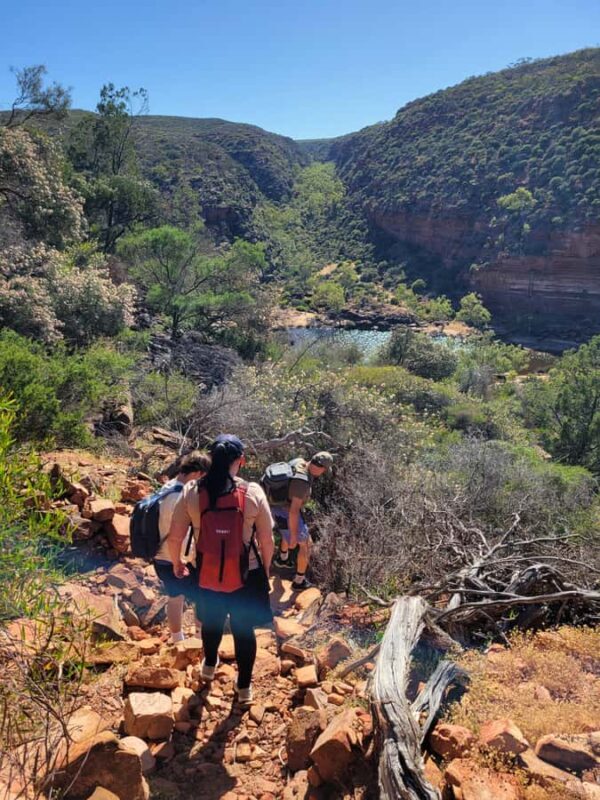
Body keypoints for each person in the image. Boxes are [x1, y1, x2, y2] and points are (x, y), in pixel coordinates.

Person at [168, 434, 274, 705]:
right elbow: (266, 539)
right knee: (243, 629)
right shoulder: (253, 492)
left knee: (212, 622)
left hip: (205, 571)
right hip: (246, 575)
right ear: (241, 461)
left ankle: (209, 665)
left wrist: (178, 562)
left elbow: (175, 536)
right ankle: (244, 687)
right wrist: (266, 570)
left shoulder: (192, 491)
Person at [154, 450, 211, 644]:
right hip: (176, 557)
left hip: (160, 555)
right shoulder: (180, 496)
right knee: (201, 595)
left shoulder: (167, 487)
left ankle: (177, 639)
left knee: (175, 596)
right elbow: (178, 535)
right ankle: (199, 639)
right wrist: (179, 561)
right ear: (197, 473)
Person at [269, 452, 333, 591]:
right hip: (286, 511)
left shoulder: (299, 461)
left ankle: (282, 558)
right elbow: (293, 511)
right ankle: (299, 581)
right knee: (306, 545)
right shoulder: (302, 482)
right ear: (321, 468)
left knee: (287, 531)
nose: (323, 473)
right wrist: (293, 536)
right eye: (324, 470)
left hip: (276, 506)